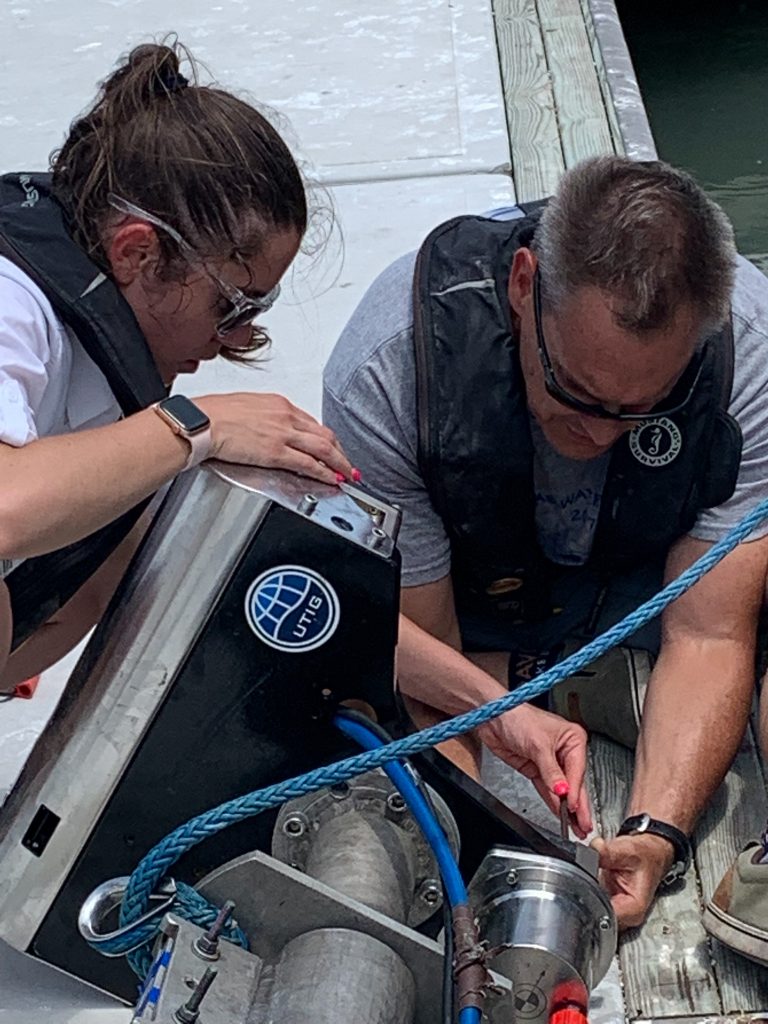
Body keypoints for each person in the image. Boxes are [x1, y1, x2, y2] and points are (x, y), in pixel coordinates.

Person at [0, 41, 581, 824]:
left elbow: (254, 580)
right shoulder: (12, 300)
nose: (234, 343)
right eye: (234, 306)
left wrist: (493, 710)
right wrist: (194, 429)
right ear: (137, 252)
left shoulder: (102, 331)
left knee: (181, 523)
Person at [323, 154, 768, 932]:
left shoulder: (752, 356)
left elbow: (705, 631)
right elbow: (430, 663)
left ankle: (579, 678)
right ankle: (569, 677)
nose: (596, 434)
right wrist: (472, 870)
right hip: (474, 600)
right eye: (574, 392)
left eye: (640, 409)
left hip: (656, 578)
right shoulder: (393, 368)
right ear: (524, 285)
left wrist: (653, 834)